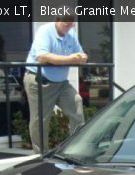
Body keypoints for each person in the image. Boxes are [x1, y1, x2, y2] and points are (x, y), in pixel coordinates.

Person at [24, 15, 88, 153]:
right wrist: (70, 58)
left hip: (61, 83)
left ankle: (76, 148)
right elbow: (42, 57)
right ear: (57, 21)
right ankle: (41, 154)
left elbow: (81, 54)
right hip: (41, 81)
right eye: (66, 24)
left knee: (76, 102)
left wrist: (82, 57)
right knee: (41, 119)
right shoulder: (45, 31)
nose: (68, 27)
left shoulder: (71, 34)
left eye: (71, 25)